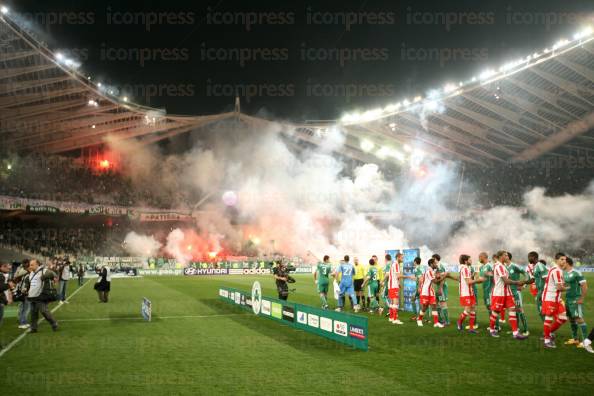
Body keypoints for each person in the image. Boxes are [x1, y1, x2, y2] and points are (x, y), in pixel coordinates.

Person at [488, 251, 527, 340]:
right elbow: (505, 280)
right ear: (501, 256)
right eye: (505, 255)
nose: (507, 257)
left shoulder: (502, 266)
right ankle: (491, 330)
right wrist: (517, 282)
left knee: (512, 309)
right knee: (495, 312)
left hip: (507, 292)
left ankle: (515, 333)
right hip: (499, 293)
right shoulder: (499, 266)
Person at [541, 253, 569, 349]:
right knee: (548, 318)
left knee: (563, 317)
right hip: (550, 297)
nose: (564, 261)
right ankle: (546, 340)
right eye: (561, 259)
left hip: (556, 298)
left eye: (565, 259)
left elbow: (560, 285)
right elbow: (559, 287)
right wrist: (570, 288)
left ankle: (548, 333)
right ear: (556, 260)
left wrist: (564, 285)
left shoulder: (557, 270)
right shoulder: (556, 270)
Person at [27, 259, 59, 333]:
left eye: (32, 265)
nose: (30, 266)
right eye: (30, 265)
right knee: (33, 314)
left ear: (37, 264)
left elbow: (53, 274)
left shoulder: (44, 270)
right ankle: (33, 328)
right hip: (32, 296)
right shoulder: (31, 273)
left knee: (44, 311)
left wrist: (45, 276)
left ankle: (54, 323)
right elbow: (30, 283)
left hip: (40, 295)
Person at [562, 257, 588, 347]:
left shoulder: (577, 273)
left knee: (579, 319)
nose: (561, 264)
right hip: (568, 299)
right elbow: (565, 286)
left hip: (575, 299)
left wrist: (581, 298)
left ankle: (586, 342)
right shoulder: (564, 273)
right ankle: (575, 339)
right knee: (571, 319)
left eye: (563, 262)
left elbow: (584, 286)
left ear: (567, 263)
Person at [506, 252, 529, 335]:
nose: (504, 257)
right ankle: (516, 329)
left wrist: (524, 285)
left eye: (505, 255)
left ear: (508, 257)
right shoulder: (504, 267)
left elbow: (526, 274)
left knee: (519, 310)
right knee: (513, 311)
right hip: (508, 292)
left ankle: (526, 330)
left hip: (516, 292)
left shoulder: (514, 266)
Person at [386, 253, 412, 325]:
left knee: (392, 302)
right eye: (402, 258)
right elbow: (398, 275)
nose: (403, 259)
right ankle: (395, 319)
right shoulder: (396, 264)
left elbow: (394, 275)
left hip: (391, 285)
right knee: (395, 302)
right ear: (398, 257)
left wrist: (398, 283)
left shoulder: (394, 264)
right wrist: (409, 277)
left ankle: (391, 318)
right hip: (393, 285)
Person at [457, 254, 480, 333]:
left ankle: (471, 328)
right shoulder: (465, 269)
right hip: (465, 292)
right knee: (468, 309)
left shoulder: (465, 268)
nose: (471, 261)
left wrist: (474, 275)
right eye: (470, 259)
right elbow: (468, 281)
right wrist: (479, 280)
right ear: (466, 261)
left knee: (473, 308)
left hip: (470, 291)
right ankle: (459, 322)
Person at [417, 258, 443, 328]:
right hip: (425, 292)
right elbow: (435, 281)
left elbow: (435, 278)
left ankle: (436, 323)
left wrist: (438, 273)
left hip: (431, 292)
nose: (436, 264)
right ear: (431, 264)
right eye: (435, 263)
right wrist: (444, 276)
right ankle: (419, 319)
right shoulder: (429, 271)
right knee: (425, 307)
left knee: (434, 306)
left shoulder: (431, 271)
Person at [433, 254, 457, 326]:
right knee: (436, 303)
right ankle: (441, 319)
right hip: (437, 286)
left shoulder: (440, 267)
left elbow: (443, 278)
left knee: (443, 303)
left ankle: (447, 321)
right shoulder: (436, 267)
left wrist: (440, 288)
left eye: (433, 259)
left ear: (436, 259)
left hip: (442, 287)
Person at [526, 253, 548, 322]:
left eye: (529, 257)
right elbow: (533, 279)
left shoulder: (540, 266)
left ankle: (548, 330)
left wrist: (544, 292)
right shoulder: (535, 266)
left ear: (534, 257)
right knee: (541, 311)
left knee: (543, 311)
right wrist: (522, 283)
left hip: (543, 291)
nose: (528, 259)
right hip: (540, 291)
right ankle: (547, 329)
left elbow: (546, 279)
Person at [477, 252, 494, 329]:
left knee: (492, 308)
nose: (479, 259)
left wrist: (494, 287)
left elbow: (496, 275)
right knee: (489, 307)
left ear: (483, 257)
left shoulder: (490, 265)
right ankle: (492, 325)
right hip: (485, 290)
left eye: (479, 257)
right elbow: (481, 279)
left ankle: (496, 326)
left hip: (490, 290)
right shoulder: (481, 267)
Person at [13, 260, 31, 329]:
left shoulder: (22, 272)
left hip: (21, 292)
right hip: (25, 293)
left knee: (23, 308)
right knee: (25, 308)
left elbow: (17, 279)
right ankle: (22, 322)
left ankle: (23, 321)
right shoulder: (26, 274)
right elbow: (25, 284)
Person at [412, 257, 423, 321]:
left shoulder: (416, 269)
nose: (414, 263)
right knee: (419, 300)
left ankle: (416, 315)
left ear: (415, 262)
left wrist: (419, 287)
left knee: (412, 299)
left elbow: (420, 279)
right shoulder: (422, 267)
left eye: (414, 262)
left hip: (419, 287)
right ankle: (420, 315)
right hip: (423, 286)